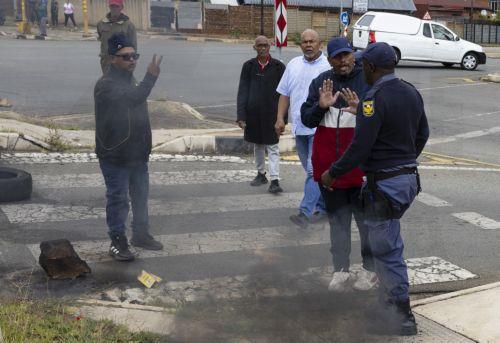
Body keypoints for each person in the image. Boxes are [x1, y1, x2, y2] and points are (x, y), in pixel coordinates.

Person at [320, 42, 430, 336]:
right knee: (385, 239)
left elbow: (360, 146)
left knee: (386, 249)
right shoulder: (410, 91)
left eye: (362, 65)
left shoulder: (373, 98)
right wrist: (405, 159)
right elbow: (423, 133)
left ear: (370, 67)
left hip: (385, 183)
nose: (359, 69)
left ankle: (401, 317)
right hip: (407, 179)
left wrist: (333, 172)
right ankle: (385, 304)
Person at [301, 37, 376, 292]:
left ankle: (369, 271)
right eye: (337, 57)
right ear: (330, 59)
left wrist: (362, 110)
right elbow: (306, 119)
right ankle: (341, 270)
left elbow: (379, 118)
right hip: (331, 172)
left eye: (346, 55)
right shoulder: (320, 82)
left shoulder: (367, 80)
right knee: (339, 225)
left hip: (361, 170)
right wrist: (321, 107)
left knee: (366, 225)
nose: (343, 60)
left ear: (353, 55)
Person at [94, 33, 164, 262]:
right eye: (126, 57)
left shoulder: (128, 79)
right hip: (115, 155)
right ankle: (117, 241)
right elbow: (134, 98)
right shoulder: (106, 85)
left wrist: (145, 148)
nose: (132, 60)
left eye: (135, 55)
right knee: (118, 200)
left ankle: (140, 234)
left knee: (141, 196)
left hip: (136, 154)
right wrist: (150, 77)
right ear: (113, 59)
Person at [275, 29, 330, 228]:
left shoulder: (327, 67)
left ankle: (305, 213)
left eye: (312, 41)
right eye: (304, 42)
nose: (308, 45)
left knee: (313, 171)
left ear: (320, 44)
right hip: (299, 128)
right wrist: (280, 118)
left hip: (320, 128)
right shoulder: (293, 65)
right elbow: (284, 94)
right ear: (300, 45)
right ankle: (324, 206)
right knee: (312, 171)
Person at [237, 36, 286, 194]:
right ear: (254, 47)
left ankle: (275, 180)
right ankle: (260, 174)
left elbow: (285, 95)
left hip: (272, 115)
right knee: (257, 145)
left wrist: (282, 119)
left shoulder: (279, 67)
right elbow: (242, 91)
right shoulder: (248, 66)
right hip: (253, 115)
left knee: (273, 147)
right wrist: (241, 116)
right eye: (260, 46)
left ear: (270, 46)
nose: (263, 48)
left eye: (266, 45)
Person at [97, 0, 137, 74]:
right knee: (107, 82)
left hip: (122, 61)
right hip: (106, 60)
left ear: (121, 7)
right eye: (112, 6)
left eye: (117, 6)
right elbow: (101, 38)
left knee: (122, 83)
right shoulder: (101, 24)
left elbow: (133, 46)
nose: (114, 8)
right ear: (109, 7)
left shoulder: (128, 25)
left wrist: (131, 60)